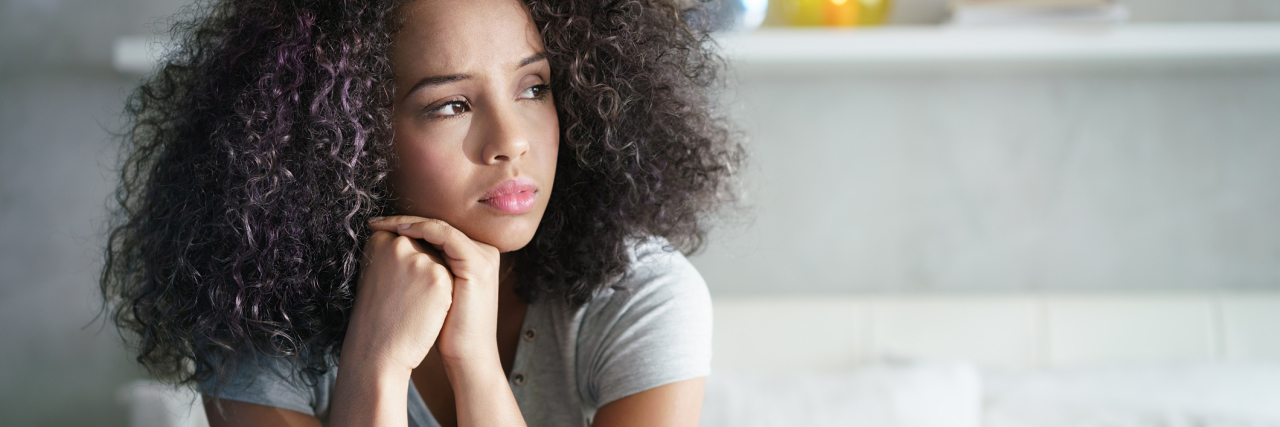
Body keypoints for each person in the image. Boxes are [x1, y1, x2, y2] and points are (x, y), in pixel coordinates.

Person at [100, 0, 741, 425]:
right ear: (339, 135)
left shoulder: (640, 296)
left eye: (533, 87)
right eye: (451, 105)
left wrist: (475, 364)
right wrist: (375, 365)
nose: (511, 140)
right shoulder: (257, 314)